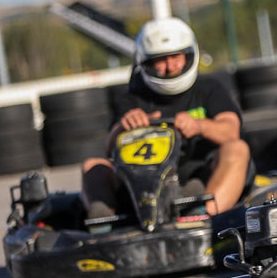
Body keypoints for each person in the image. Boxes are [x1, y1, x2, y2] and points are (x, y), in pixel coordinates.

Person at [81, 17, 250, 220]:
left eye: (175, 56)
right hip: (142, 184)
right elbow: (108, 150)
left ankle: (202, 215)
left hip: (200, 176)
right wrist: (123, 128)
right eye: (160, 59)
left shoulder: (209, 88)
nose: (170, 66)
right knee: (92, 166)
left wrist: (199, 126)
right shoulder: (132, 98)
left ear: (188, 55)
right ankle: (105, 222)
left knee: (237, 149)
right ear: (146, 62)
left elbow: (231, 131)